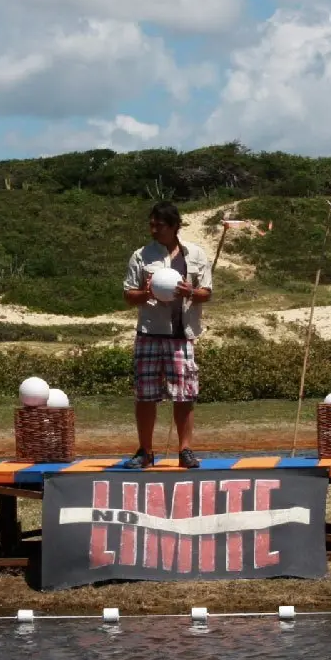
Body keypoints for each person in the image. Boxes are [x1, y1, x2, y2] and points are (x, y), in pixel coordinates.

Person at [121, 201, 213, 469]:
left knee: (184, 394)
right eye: (151, 224)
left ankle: (185, 450)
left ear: (174, 226)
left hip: (182, 334)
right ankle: (145, 452)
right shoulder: (141, 255)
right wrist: (148, 293)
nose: (153, 229)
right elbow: (128, 295)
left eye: (158, 225)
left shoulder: (194, 254)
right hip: (150, 332)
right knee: (145, 394)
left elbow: (206, 291)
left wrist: (191, 293)